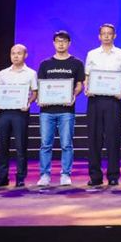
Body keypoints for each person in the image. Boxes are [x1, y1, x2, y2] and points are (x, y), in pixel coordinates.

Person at [36, 30, 85, 187]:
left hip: (66, 111)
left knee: (66, 144)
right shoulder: (45, 64)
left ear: (69, 43)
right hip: (47, 111)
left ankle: (65, 174)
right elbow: (40, 86)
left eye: (64, 41)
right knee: (45, 144)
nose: (61, 44)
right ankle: (45, 175)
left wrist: (73, 96)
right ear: (54, 43)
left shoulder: (76, 63)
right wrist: (41, 98)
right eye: (58, 41)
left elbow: (79, 85)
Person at [84, 23, 121, 187]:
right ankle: (95, 176)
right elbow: (87, 76)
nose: (106, 36)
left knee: (113, 139)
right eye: (103, 33)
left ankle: (113, 175)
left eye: (109, 33)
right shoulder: (92, 54)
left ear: (114, 36)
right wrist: (87, 88)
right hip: (95, 100)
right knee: (94, 139)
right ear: (99, 36)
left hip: (113, 101)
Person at [0, 44, 38, 188]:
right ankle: (2, 177)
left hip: (20, 113)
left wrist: (28, 102)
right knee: (2, 146)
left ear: (25, 55)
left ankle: (20, 177)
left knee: (20, 146)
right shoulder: (3, 73)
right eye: (13, 53)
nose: (16, 56)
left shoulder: (31, 73)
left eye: (19, 53)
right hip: (4, 112)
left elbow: (35, 92)